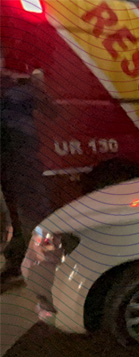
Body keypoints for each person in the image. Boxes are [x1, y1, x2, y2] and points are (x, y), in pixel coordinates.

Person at [1, 69, 53, 284]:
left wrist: (38, 88)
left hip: (22, 156)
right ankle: (17, 262)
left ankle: (47, 266)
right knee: (13, 215)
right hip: (5, 158)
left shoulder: (19, 87)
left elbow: (52, 112)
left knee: (34, 211)